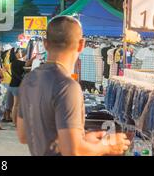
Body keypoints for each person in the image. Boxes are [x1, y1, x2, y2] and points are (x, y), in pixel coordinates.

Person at [17, 16, 131, 156]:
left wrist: (82, 139)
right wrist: (107, 146)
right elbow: (72, 150)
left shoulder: (29, 79)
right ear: (81, 44)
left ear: (45, 43)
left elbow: (23, 135)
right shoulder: (67, 86)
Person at [7, 48, 36, 127]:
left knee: (15, 105)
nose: (21, 53)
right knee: (16, 105)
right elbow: (28, 63)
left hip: (12, 85)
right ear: (16, 54)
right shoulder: (17, 62)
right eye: (20, 52)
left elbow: (26, 66)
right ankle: (15, 123)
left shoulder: (14, 62)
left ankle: (14, 122)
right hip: (17, 86)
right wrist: (35, 57)